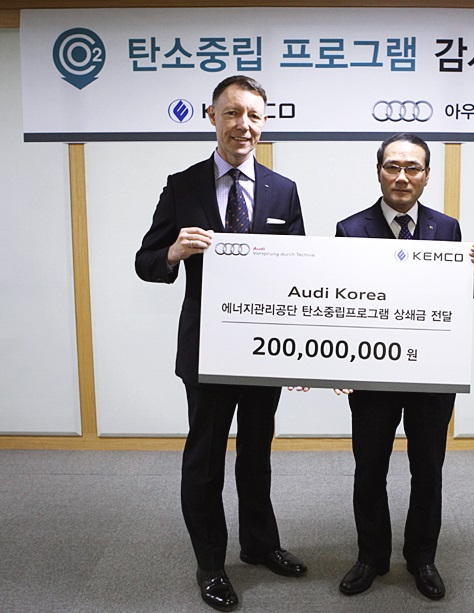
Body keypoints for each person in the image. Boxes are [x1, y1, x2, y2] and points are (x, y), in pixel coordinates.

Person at [135, 75, 307, 612]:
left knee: (257, 454)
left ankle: (259, 544)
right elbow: (145, 262)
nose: (243, 125)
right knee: (205, 459)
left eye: (253, 115)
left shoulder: (283, 190)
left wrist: (302, 348)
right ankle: (210, 563)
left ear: (265, 122)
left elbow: (301, 274)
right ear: (212, 117)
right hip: (206, 350)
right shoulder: (182, 185)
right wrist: (173, 252)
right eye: (232, 113)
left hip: (263, 350)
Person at [334, 133, 474, 601]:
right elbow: (338, 301)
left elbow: (461, 298)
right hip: (372, 373)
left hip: (432, 373)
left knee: (428, 470)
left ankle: (422, 558)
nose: (402, 176)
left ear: (427, 175)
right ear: (379, 171)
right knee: (369, 468)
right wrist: (339, 365)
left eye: (412, 168)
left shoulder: (447, 228)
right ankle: (371, 557)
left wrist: (469, 273)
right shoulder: (350, 229)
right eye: (392, 166)